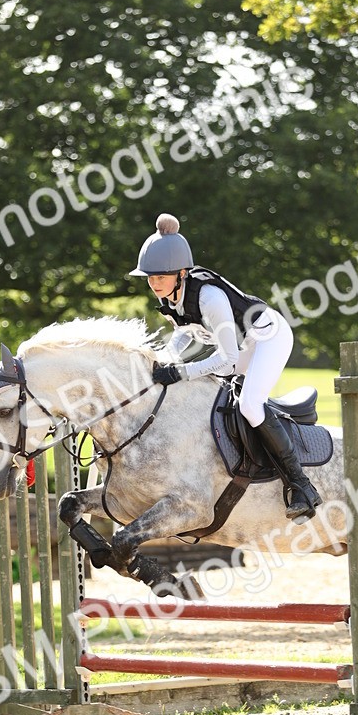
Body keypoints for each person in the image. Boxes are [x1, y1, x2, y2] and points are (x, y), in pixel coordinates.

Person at [130, 213, 322, 520]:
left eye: (161, 277)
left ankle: (301, 486)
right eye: (150, 278)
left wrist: (179, 372)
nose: (154, 284)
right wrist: (160, 361)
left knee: (249, 404)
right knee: (215, 396)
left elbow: (227, 359)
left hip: (269, 338)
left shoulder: (210, 298)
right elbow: (183, 336)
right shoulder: (171, 298)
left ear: (182, 272)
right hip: (244, 345)